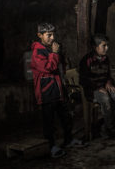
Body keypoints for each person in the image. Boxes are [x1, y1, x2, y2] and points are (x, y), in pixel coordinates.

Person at [31, 22, 83, 159]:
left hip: (59, 90)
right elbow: (49, 68)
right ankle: (52, 146)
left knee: (66, 117)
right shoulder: (38, 51)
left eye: (53, 34)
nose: (52, 38)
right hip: (46, 91)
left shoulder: (52, 48)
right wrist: (54, 53)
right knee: (49, 121)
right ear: (39, 35)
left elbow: (60, 68)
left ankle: (69, 140)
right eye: (48, 35)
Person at [79, 33, 115, 139]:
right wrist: (97, 87)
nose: (107, 48)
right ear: (95, 47)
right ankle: (110, 130)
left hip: (104, 87)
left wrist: (108, 82)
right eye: (104, 46)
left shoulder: (106, 59)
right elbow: (83, 80)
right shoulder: (86, 60)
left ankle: (106, 127)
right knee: (106, 99)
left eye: (107, 45)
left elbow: (108, 75)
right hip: (91, 90)